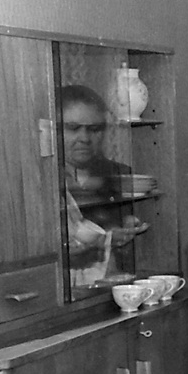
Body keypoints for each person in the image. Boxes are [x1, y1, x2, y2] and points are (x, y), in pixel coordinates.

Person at [59, 84, 147, 284]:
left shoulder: (121, 175)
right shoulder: (44, 182)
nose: (84, 138)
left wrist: (128, 225)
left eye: (94, 129)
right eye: (73, 128)